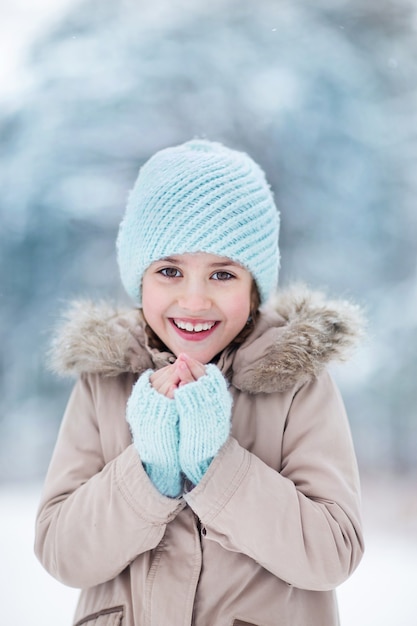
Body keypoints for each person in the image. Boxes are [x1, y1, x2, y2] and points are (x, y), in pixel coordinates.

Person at [35, 139, 364, 626]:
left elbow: (332, 552)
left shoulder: (296, 379)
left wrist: (215, 467)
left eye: (222, 274)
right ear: (139, 279)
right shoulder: (105, 378)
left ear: (254, 287)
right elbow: (64, 553)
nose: (194, 300)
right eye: (170, 271)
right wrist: (151, 471)